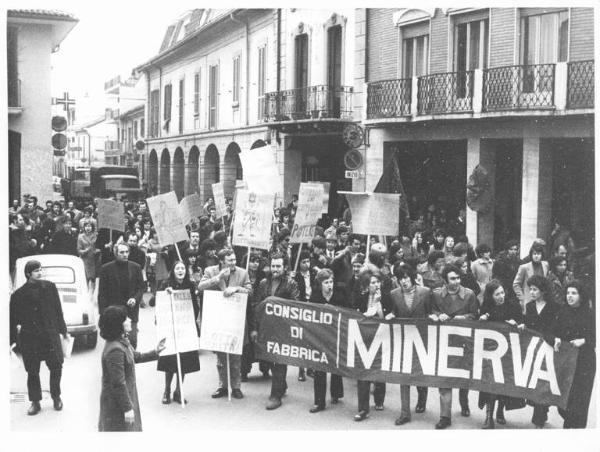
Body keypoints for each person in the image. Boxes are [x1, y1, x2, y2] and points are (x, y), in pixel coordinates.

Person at [10, 260, 68, 415]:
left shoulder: (50, 287)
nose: (40, 272)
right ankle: (35, 402)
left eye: (41, 269)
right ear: (28, 274)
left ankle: (56, 397)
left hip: (49, 335)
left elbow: (58, 310)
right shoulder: (18, 295)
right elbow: (12, 319)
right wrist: (11, 342)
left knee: (56, 367)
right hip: (30, 338)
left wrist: (63, 331)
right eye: (36, 270)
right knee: (33, 371)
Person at [98, 306, 166, 431]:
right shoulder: (115, 349)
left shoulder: (122, 341)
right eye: (126, 319)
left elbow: (136, 357)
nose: (130, 320)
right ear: (118, 324)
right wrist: (127, 408)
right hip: (117, 404)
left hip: (125, 398)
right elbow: (118, 383)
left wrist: (156, 351)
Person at [198, 248, 252, 400]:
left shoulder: (242, 273)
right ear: (222, 261)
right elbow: (200, 287)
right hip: (217, 319)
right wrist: (217, 278)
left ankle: (236, 387)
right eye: (230, 260)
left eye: (234, 259)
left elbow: (250, 291)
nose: (234, 263)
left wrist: (236, 289)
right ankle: (223, 386)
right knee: (221, 357)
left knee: (235, 356)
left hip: (235, 319)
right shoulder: (210, 271)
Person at [429, 264, 479, 429]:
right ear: (445, 280)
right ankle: (445, 416)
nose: (456, 281)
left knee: (463, 377)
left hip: (463, 341)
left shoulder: (470, 295)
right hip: (444, 342)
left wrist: (463, 317)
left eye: (458, 278)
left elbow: (475, 315)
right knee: (445, 379)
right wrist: (437, 315)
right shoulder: (436, 295)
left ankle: (464, 402)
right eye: (452, 278)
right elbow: (429, 311)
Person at [386, 264, 432, 425]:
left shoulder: (425, 293)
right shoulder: (394, 294)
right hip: (403, 340)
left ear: (412, 278)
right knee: (403, 377)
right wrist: (391, 314)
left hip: (421, 339)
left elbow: (430, 312)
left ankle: (422, 398)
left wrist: (433, 317)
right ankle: (405, 412)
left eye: (405, 277)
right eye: (400, 278)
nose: (403, 281)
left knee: (420, 373)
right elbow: (393, 311)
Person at [254, 252, 300, 410]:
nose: (275, 269)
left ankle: (276, 395)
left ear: (284, 267)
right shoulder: (263, 283)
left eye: (278, 266)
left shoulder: (291, 284)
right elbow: (257, 306)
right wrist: (254, 329)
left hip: (283, 329)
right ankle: (282, 384)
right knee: (269, 358)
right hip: (267, 328)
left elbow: (296, 305)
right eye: (273, 266)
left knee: (279, 360)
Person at [477, 279, 524, 429]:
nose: (501, 296)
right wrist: (482, 319)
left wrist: (516, 324)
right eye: (497, 294)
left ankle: (500, 411)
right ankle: (488, 416)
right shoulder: (486, 308)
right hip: (490, 353)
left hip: (508, 352)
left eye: (502, 292)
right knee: (490, 383)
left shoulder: (513, 306)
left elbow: (521, 323)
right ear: (491, 296)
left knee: (504, 383)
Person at [517, 275, 559, 428]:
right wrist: (523, 326)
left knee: (544, 382)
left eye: (535, 290)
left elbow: (556, 327)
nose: (532, 292)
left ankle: (539, 419)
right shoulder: (529, 306)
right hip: (534, 349)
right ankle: (542, 411)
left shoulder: (554, 306)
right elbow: (528, 325)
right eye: (530, 289)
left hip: (548, 347)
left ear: (543, 291)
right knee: (536, 382)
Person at [158, 261, 201, 404]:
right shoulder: (166, 284)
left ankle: (178, 391)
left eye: (183, 268)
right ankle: (166, 390)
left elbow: (195, 306)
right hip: (170, 328)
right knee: (170, 360)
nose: (181, 270)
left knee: (184, 360)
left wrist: (190, 321)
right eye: (178, 268)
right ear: (173, 270)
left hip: (185, 327)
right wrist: (166, 292)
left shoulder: (190, 285)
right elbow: (157, 303)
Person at [555, 281, 596, 428]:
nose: (569, 296)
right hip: (567, 360)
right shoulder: (563, 312)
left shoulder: (590, 314)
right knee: (564, 398)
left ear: (581, 296)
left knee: (580, 398)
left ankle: (574, 429)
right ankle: (569, 421)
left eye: (574, 293)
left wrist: (583, 340)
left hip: (585, 361)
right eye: (568, 293)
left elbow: (595, 336)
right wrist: (557, 339)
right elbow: (554, 331)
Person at [352, 267, 388, 421]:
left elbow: (385, 318)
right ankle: (363, 409)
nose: (376, 285)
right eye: (373, 282)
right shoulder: (362, 297)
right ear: (367, 285)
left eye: (378, 282)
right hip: (364, 339)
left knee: (379, 372)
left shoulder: (386, 297)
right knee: (363, 374)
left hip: (381, 338)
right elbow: (358, 316)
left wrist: (379, 305)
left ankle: (379, 400)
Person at [308, 269, 346, 413]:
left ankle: (336, 393)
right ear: (320, 284)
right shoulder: (316, 296)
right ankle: (319, 402)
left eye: (331, 282)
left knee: (335, 365)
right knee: (320, 367)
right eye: (326, 282)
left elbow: (347, 311)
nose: (329, 285)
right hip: (321, 335)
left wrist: (334, 310)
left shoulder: (340, 295)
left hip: (336, 334)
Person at [98, 242, 145, 349]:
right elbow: (102, 293)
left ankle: (131, 362)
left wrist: (135, 298)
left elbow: (141, 287)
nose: (125, 254)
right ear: (116, 253)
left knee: (132, 341)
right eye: (122, 252)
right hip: (114, 312)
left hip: (131, 311)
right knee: (115, 343)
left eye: (127, 252)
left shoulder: (136, 267)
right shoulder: (106, 269)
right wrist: (102, 313)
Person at [513, 242, 549, 312]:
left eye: (538, 254)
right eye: (534, 254)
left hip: (542, 300)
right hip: (529, 299)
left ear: (542, 255)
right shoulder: (524, 267)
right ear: (531, 255)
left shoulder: (546, 265)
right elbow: (516, 284)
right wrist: (522, 297)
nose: (536, 256)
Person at [77, 219, 98, 288]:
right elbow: (79, 250)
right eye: (86, 226)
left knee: (93, 279)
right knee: (85, 278)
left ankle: (92, 295)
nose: (88, 228)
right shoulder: (80, 236)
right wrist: (85, 251)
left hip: (94, 260)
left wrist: (97, 251)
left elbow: (99, 246)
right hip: (85, 260)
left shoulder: (96, 236)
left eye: (89, 226)